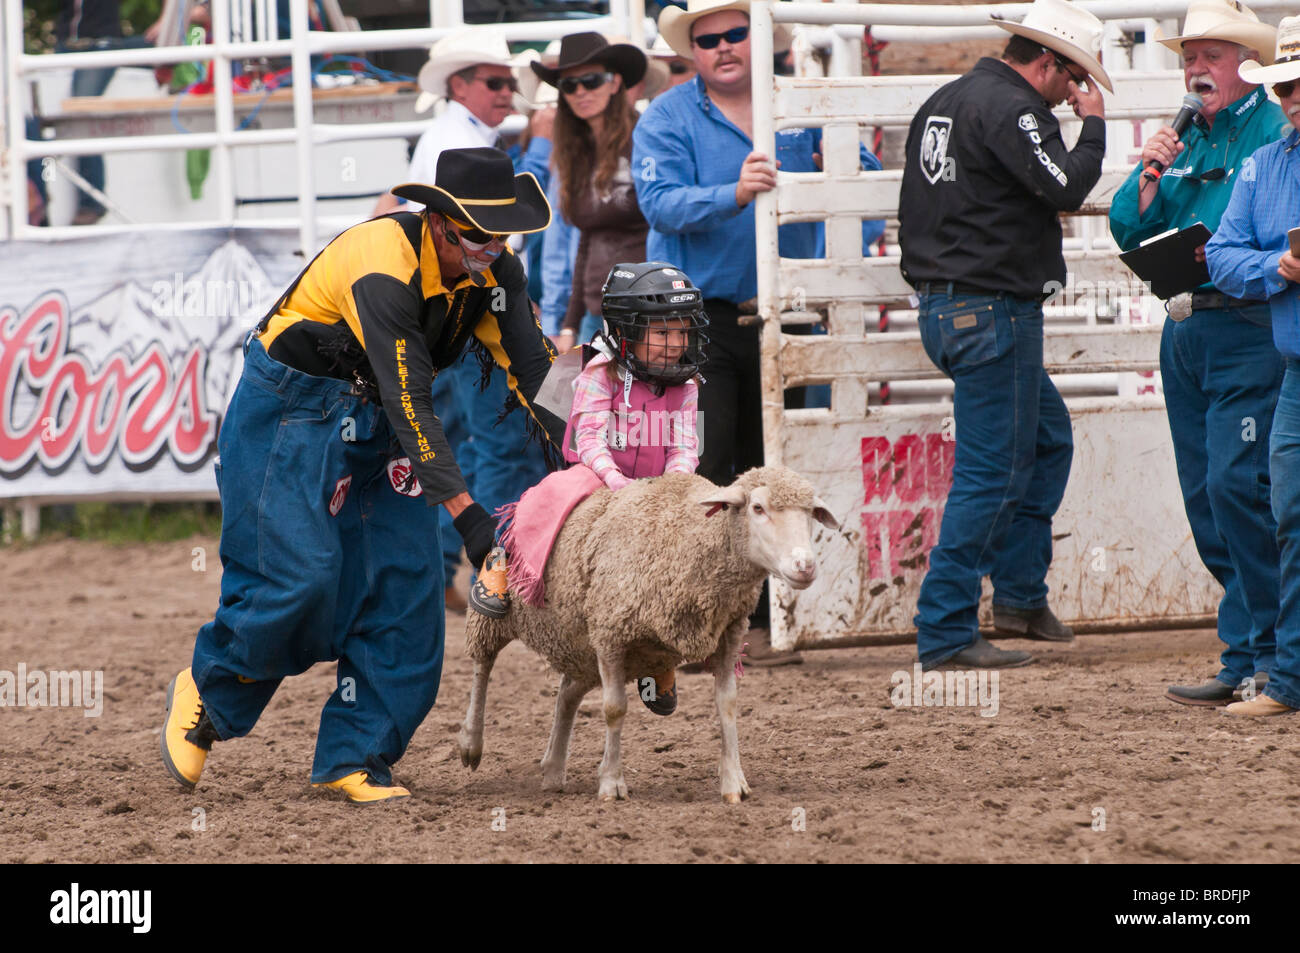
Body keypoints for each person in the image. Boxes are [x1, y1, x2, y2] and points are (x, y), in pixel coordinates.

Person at [160, 147, 563, 803]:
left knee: (407, 587)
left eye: (502, 237)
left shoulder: (497, 273)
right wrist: (469, 518)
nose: (493, 250)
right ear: (438, 221)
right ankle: (207, 690)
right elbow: (413, 404)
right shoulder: (383, 268)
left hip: (378, 420)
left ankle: (357, 755)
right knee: (301, 576)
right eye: (477, 237)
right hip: (293, 410)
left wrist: (607, 457)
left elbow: (536, 371)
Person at [898, 0, 1110, 671]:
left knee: (1045, 438)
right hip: (993, 311)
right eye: (1075, 79)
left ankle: (1017, 594)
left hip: (951, 305)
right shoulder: (1014, 110)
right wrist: (1094, 128)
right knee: (991, 472)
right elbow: (1067, 186)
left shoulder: (949, 98)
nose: (1076, 94)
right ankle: (946, 628)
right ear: (1048, 64)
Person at [1108, 0, 1286, 707]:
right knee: (1208, 496)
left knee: (1237, 488)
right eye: (1189, 58)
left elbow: (1249, 230)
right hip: (1187, 328)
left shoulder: (1272, 132)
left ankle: (1270, 653)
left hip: (1246, 324)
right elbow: (1126, 222)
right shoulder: (1183, 140)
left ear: (1248, 65)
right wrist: (1148, 176)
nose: (1195, 70)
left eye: (1209, 56)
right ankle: (1246, 651)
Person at [371, 28, 554, 614]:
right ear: (460, 85)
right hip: (454, 310)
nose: (509, 92)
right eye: (496, 82)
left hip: (450, 309)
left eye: (510, 82)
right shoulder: (453, 141)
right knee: (493, 439)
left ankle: (459, 566)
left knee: (471, 437)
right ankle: (491, 565)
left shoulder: (456, 139)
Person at [486, 262, 707, 715]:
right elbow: (587, 441)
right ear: (627, 332)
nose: (676, 344)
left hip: (657, 482)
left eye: (682, 333)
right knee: (548, 498)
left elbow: (686, 444)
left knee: (699, 520)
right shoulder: (594, 373)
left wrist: (675, 489)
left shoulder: (686, 383)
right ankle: (500, 564)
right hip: (599, 473)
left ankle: (660, 658)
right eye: (663, 334)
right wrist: (617, 484)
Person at [1206, 17, 1300, 716]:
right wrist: (1279, 264)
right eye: (1286, 88)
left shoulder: (1264, 165)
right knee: (1288, 511)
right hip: (1294, 370)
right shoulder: (1265, 166)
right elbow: (1222, 255)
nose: (1293, 98)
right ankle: (1288, 679)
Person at [531, 32, 650, 350]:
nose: (581, 91)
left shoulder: (646, 137)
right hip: (595, 313)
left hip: (649, 311)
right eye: (569, 85)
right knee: (570, 400)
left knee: (642, 402)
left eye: (592, 80)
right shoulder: (574, 153)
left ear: (615, 83)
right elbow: (585, 241)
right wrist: (568, 325)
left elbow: (665, 223)